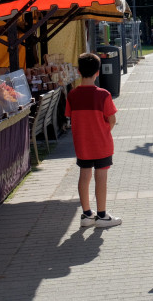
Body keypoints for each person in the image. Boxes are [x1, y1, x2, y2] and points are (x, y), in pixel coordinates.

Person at [65, 52, 121, 228]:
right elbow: (112, 120)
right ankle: (103, 215)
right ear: (98, 72)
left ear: (79, 72)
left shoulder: (72, 95)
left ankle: (87, 214)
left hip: (82, 144)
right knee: (101, 178)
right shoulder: (103, 95)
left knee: (84, 175)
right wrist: (103, 131)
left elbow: (70, 118)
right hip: (102, 144)